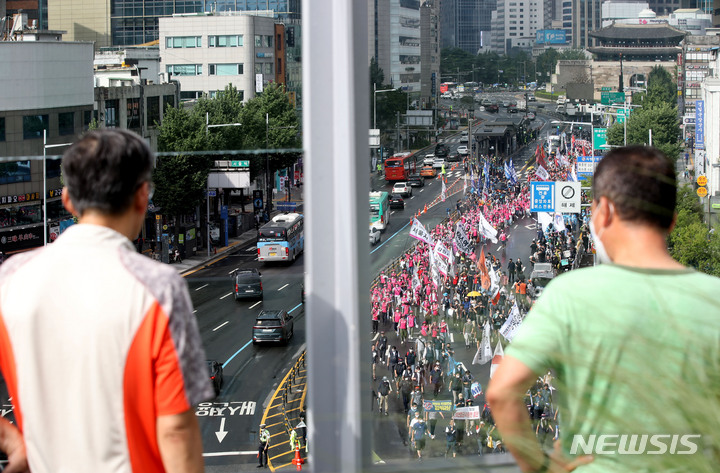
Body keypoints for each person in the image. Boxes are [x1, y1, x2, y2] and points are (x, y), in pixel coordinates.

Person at [488, 146, 720, 473]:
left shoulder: (569, 295)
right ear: (672, 221)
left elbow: (502, 392)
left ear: (605, 212)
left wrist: (540, 468)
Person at [0, 130, 212, 472]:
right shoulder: (158, 288)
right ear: (142, 196)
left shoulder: (10, 280)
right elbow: (175, 430)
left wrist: (14, 442)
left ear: (68, 200)